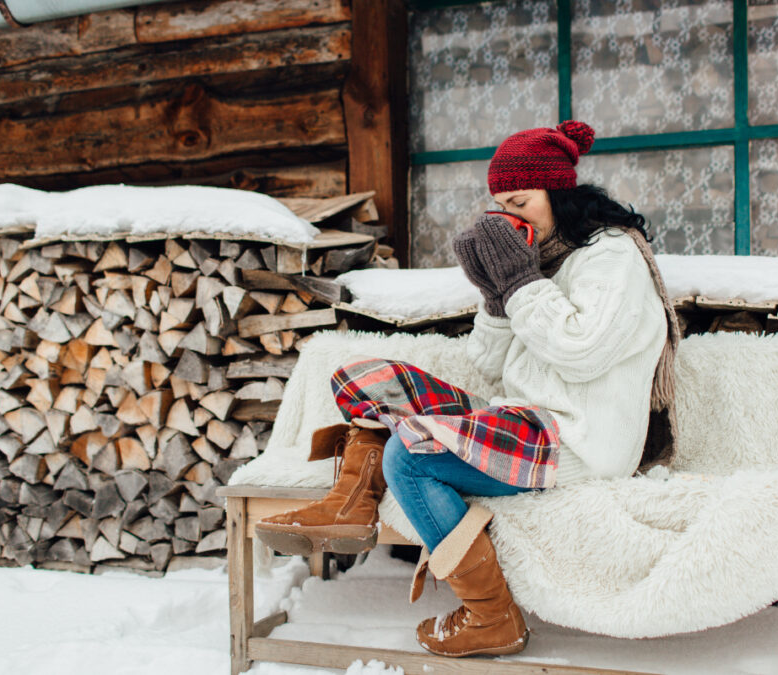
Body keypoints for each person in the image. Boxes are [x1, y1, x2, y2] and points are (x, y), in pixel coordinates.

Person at [255, 120, 681, 658]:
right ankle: (351, 506)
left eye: (521, 200)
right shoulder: (539, 260)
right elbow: (489, 365)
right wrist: (496, 295)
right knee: (367, 381)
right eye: (501, 204)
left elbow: (581, 350)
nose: (511, 215)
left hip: (577, 440)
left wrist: (521, 283)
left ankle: (491, 616)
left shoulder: (611, 256)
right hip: (523, 416)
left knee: (409, 456)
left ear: (560, 193)